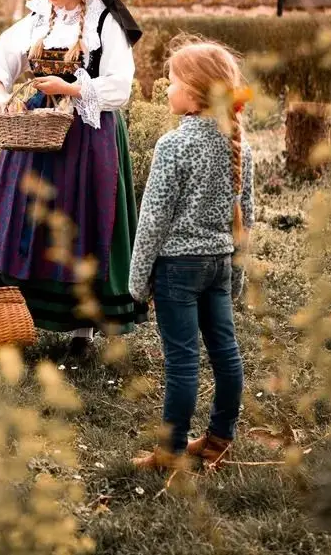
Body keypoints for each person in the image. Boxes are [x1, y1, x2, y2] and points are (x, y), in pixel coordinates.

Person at [0, 0, 146, 356]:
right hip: (35, 136)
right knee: (25, 220)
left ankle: (81, 330)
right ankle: (15, 317)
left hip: (87, 136)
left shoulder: (105, 22)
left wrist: (71, 88)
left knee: (80, 222)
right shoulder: (36, 19)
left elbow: (120, 86)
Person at [127, 39, 255, 472]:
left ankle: (171, 451)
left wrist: (137, 279)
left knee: (182, 361)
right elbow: (245, 219)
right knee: (225, 352)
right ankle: (219, 439)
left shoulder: (173, 146)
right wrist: (236, 275)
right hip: (219, 265)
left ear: (196, 94)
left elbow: (153, 219)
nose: (166, 89)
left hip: (177, 269)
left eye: (173, 81)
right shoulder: (239, 146)